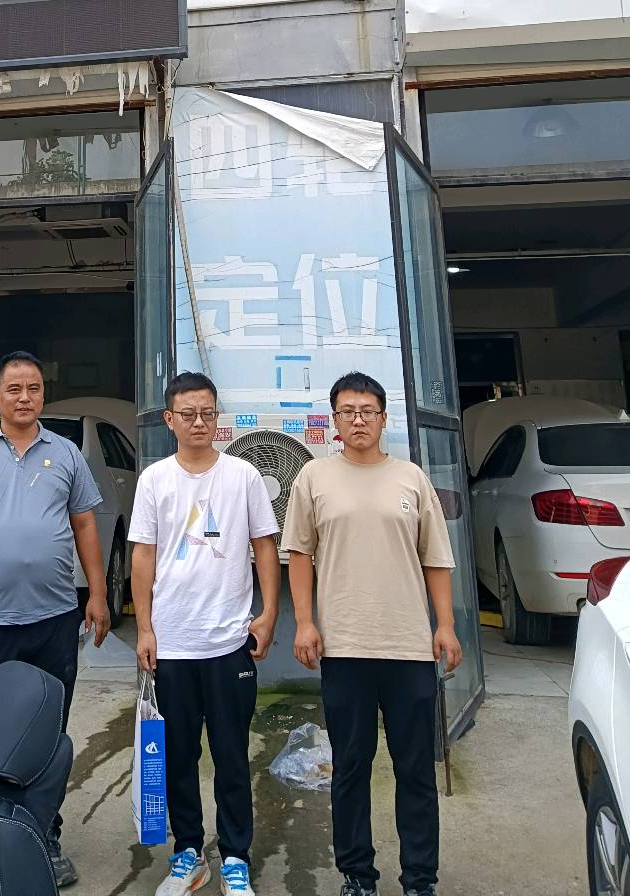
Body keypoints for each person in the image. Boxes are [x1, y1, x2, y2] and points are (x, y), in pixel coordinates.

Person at [0, 351, 111, 888]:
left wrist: (98, 594)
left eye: (33, 388)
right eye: (14, 389)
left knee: (49, 734)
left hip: (54, 619)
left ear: (42, 395)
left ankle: (42, 836)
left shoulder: (67, 453)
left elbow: (85, 527)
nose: (25, 397)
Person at [281, 372, 463, 896]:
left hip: (408, 647)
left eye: (367, 411)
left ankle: (420, 880)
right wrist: (306, 621)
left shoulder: (411, 478)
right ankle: (357, 875)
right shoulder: (314, 477)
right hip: (345, 648)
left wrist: (446, 625)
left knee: (416, 772)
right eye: (348, 412)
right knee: (350, 769)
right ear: (334, 421)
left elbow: (435, 558)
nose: (358, 420)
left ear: (384, 419)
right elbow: (300, 554)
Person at [129, 372, 281, 896]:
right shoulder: (155, 480)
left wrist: (269, 613)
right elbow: (143, 556)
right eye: (188, 414)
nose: (199, 423)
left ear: (218, 418)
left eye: (208, 413)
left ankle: (236, 857)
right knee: (178, 756)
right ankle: (188, 854)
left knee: (232, 755)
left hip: (228, 643)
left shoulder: (243, 476)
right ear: (169, 419)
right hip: (172, 643)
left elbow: (264, 545)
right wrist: (144, 628)